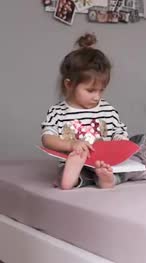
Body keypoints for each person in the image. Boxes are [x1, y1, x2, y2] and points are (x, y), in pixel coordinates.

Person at [41, 33, 128, 190]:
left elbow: (119, 132)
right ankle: (72, 179)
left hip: (102, 163)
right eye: (90, 91)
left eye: (101, 90)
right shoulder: (58, 112)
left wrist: (121, 141)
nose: (97, 97)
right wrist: (71, 144)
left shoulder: (108, 110)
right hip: (75, 162)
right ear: (69, 84)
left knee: (119, 172)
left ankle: (106, 179)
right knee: (67, 172)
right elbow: (47, 139)